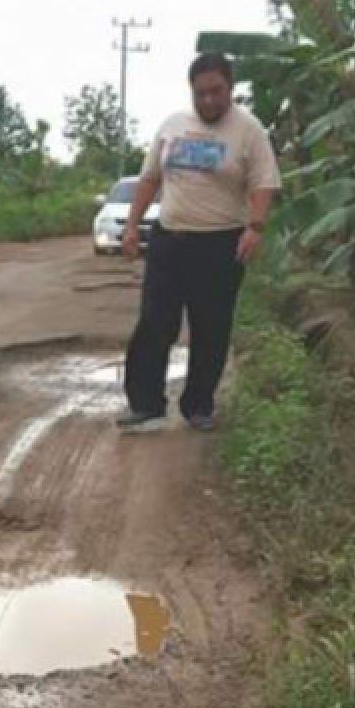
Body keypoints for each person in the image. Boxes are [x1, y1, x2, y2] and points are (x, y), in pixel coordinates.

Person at [116, 52, 281, 434]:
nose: (208, 100)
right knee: (154, 324)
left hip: (220, 246)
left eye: (216, 91)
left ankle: (198, 406)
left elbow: (264, 183)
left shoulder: (249, 130)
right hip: (169, 240)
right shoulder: (173, 126)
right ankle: (145, 404)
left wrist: (254, 228)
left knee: (211, 328)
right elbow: (149, 180)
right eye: (200, 93)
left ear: (230, 88)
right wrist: (131, 226)